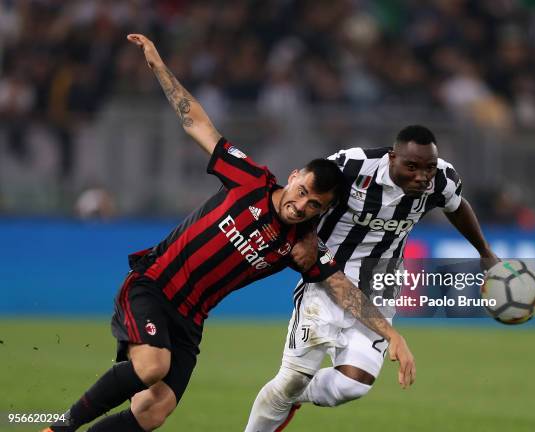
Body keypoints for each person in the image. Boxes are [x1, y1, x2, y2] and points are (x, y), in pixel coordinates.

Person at [43, 34, 415, 432]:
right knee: (153, 366)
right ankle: (57, 428)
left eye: (314, 205)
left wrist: (391, 334)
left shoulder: (301, 245)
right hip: (153, 286)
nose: (301, 205)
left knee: (155, 410)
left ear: (322, 211)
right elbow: (196, 122)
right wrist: (158, 66)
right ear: (293, 178)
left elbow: (342, 287)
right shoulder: (249, 179)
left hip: (190, 318)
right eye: (302, 191)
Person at [245, 124, 498, 431]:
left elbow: (456, 207)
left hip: (381, 284)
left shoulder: (442, 180)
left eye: (428, 168)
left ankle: (288, 396)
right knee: (294, 376)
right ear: (392, 158)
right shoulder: (351, 166)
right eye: (412, 166)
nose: (422, 176)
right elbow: (309, 194)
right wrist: (308, 236)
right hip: (327, 278)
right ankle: (284, 394)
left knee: (353, 385)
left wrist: (484, 251)